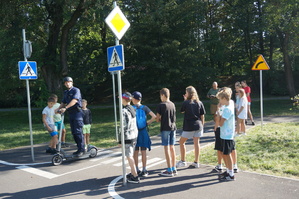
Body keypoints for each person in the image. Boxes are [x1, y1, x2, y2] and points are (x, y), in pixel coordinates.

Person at [176, 86, 205, 168]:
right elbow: (202, 115)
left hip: (189, 125)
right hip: (198, 125)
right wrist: (202, 125)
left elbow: (182, 111)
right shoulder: (199, 102)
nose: (185, 94)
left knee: (181, 142)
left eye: (186, 92)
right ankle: (196, 161)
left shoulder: (186, 102)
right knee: (196, 143)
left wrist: (185, 100)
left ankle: (183, 161)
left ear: (188, 93)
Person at [56, 77, 85, 157]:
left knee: (78, 131)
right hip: (71, 113)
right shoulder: (66, 92)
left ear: (72, 82)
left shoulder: (76, 90)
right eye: (65, 83)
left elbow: (74, 100)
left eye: (68, 82)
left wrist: (65, 108)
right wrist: (58, 109)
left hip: (77, 113)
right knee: (74, 132)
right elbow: (63, 102)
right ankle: (79, 149)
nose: (67, 83)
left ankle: (82, 149)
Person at [214, 87, 239, 173]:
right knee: (225, 154)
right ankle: (228, 170)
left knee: (227, 155)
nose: (220, 102)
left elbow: (220, 123)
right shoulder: (230, 103)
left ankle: (231, 173)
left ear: (224, 98)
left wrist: (218, 113)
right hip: (225, 134)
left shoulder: (227, 110)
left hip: (226, 135)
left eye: (220, 99)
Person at [132, 91, 156, 177]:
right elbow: (154, 116)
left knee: (135, 151)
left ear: (134, 99)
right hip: (143, 131)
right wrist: (147, 123)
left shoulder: (131, 108)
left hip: (134, 132)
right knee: (143, 151)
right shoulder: (145, 108)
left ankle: (136, 169)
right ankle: (144, 169)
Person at [119, 92, 140, 183]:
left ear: (124, 99)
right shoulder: (132, 108)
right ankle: (133, 172)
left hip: (128, 136)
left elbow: (124, 126)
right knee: (131, 154)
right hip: (134, 135)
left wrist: (120, 140)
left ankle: (135, 176)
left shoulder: (124, 111)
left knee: (129, 156)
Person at [156, 88, 177, 177]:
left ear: (163, 95)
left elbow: (157, 118)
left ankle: (169, 170)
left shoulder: (161, 105)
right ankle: (173, 167)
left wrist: (159, 118)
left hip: (165, 128)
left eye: (161, 96)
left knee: (166, 148)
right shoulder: (172, 104)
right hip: (173, 127)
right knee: (172, 148)